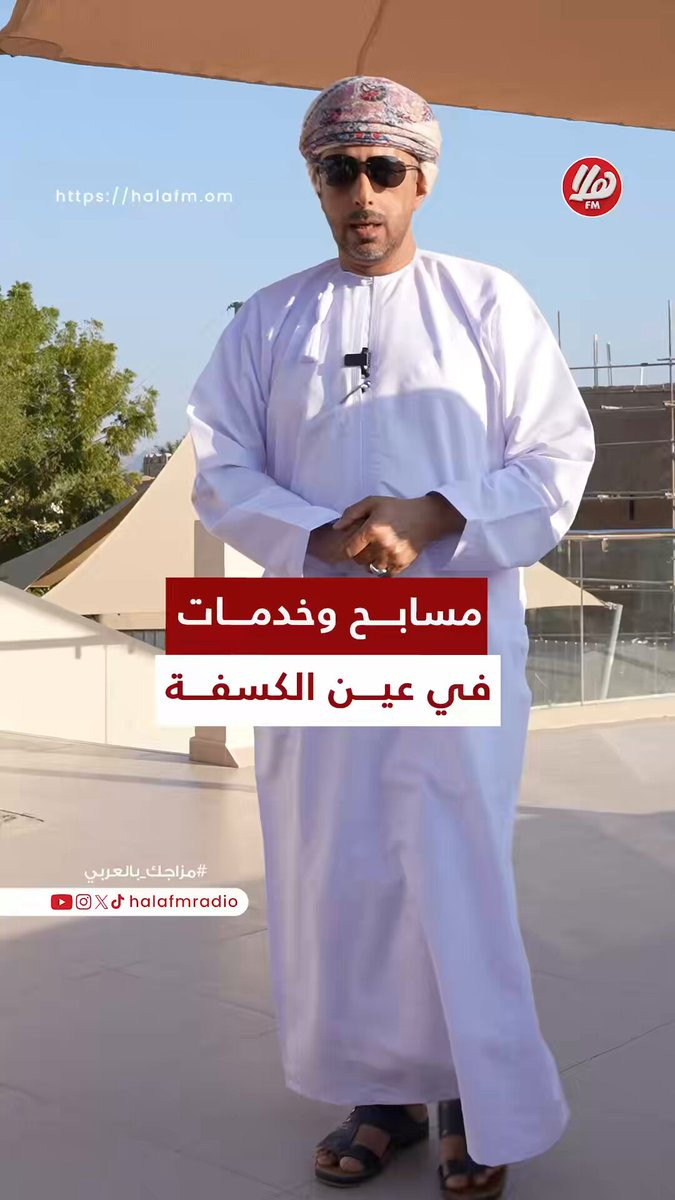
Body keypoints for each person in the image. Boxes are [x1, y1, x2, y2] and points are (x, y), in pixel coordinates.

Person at [186, 75, 596, 1196]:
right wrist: (317, 532)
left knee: (453, 861)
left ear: (421, 181)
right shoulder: (269, 318)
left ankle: (474, 1096)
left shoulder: (486, 302)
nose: (361, 193)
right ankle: (382, 1095)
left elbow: (556, 455)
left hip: (453, 619)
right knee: (338, 864)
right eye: (339, 171)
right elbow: (218, 465)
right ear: (315, 182)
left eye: (382, 170)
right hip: (311, 623)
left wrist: (439, 514)